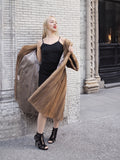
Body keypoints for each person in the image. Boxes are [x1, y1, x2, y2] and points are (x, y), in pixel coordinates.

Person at [33, 16, 74, 150]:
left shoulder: (62, 40)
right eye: (52, 22)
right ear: (46, 25)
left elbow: (69, 56)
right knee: (43, 108)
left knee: (58, 105)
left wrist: (70, 51)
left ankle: (54, 132)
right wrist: (39, 49)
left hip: (58, 77)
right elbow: (40, 61)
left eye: (56, 22)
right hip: (44, 76)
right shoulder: (40, 42)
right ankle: (38, 136)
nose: (55, 24)